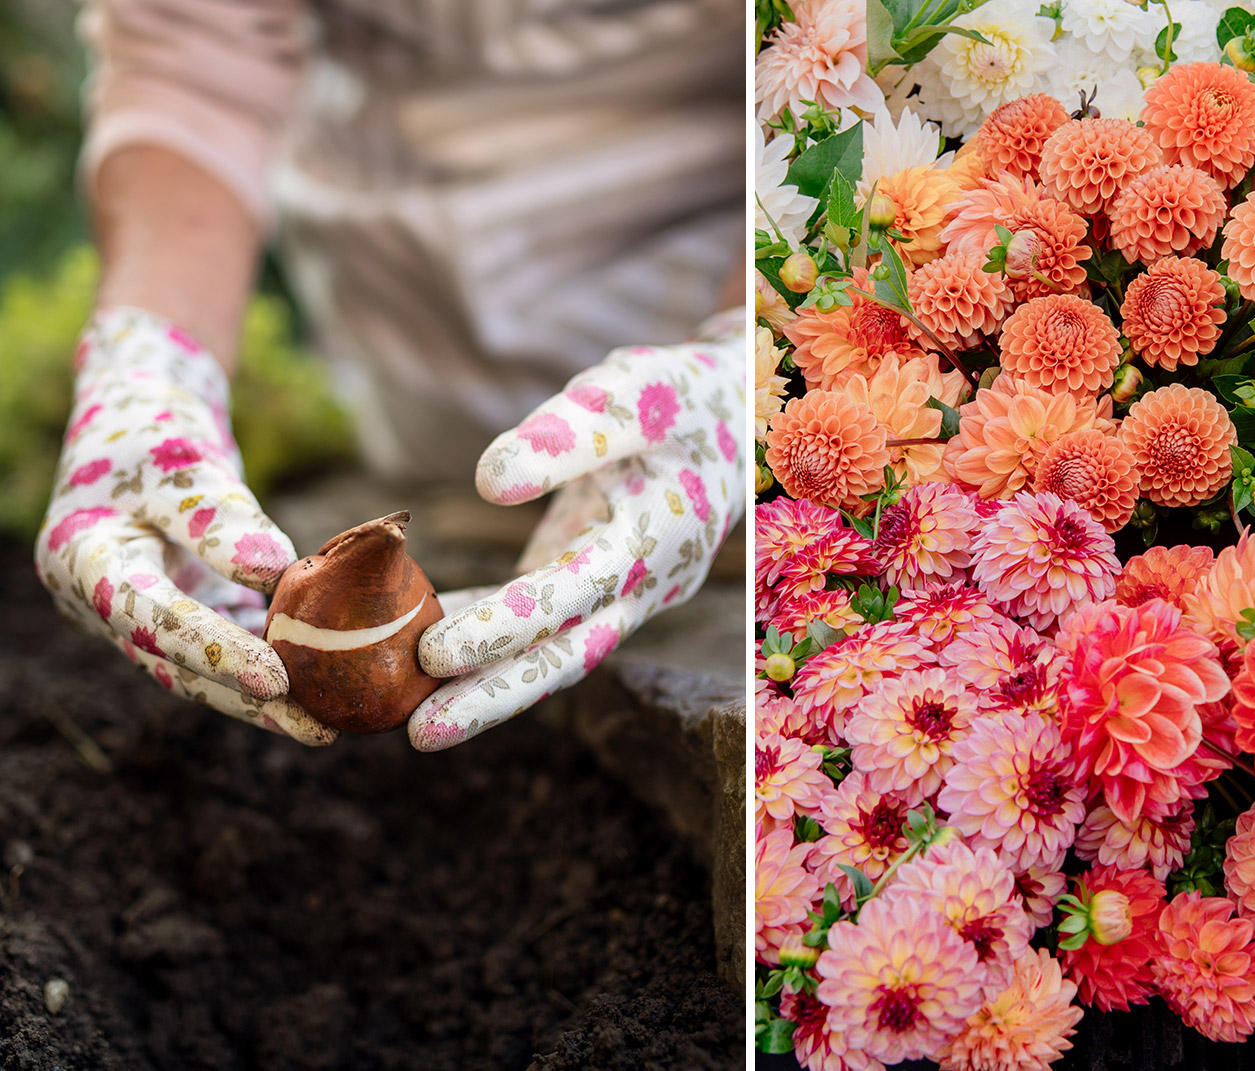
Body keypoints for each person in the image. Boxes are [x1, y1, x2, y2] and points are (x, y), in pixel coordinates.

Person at [33, 0, 747, 750]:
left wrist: (751, 365)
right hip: (411, 367)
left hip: (720, 325)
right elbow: (192, 65)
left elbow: (834, 84)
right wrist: (147, 368)